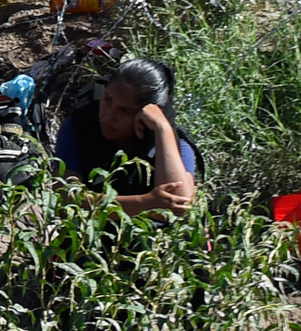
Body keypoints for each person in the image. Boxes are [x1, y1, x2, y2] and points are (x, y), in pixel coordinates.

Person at [54, 58, 199, 216]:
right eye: (107, 100)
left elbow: (180, 205)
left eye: (125, 111)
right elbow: (66, 197)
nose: (108, 116)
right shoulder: (80, 125)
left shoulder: (173, 144)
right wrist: (144, 204)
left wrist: (162, 128)